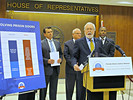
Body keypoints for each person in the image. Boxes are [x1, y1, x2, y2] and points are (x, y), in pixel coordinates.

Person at [72, 22, 103, 100]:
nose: (89, 31)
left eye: (91, 29)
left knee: (94, 93)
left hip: (96, 71)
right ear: (84, 31)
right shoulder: (79, 42)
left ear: (94, 31)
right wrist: (74, 64)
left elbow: (102, 54)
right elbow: (74, 56)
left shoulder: (98, 41)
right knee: (81, 93)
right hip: (83, 72)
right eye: (87, 29)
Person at [40, 27, 63, 100]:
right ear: (44, 34)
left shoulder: (57, 43)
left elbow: (61, 54)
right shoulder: (41, 43)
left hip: (55, 70)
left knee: (53, 90)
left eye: (51, 32)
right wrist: (47, 61)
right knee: (43, 90)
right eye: (48, 32)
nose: (50, 33)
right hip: (46, 70)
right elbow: (39, 57)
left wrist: (60, 59)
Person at [99, 26, 116, 100]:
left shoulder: (110, 41)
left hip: (107, 65)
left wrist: (106, 60)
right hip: (98, 66)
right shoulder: (95, 41)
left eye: (104, 31)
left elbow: (112, 53)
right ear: (99, 32)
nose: (103, 32)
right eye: (102, 31)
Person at [64, 28, 81, 100]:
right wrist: (74, 64)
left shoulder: (82, 43)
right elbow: (66, 56)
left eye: (80, 33)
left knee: (80, 89)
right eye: (77, 33)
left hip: (80, 70)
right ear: (73, 34)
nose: (79, 35)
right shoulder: (67, 44)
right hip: (70, 70)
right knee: (69, 88)